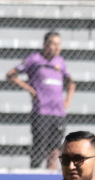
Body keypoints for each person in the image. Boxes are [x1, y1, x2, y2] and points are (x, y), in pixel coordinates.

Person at [7, 31, 75, 169]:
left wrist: (67, 100)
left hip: (58, 113)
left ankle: (51, 177)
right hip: (41, 111)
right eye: (53, 44)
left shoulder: (60, 62)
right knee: (39, 148)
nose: (57, 47)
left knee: (54, 151)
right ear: (45, 45)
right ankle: (34, 173)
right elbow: (11, 75)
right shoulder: (34, 59)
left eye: (59, 44)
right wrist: (30, 89)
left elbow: (71, 82)